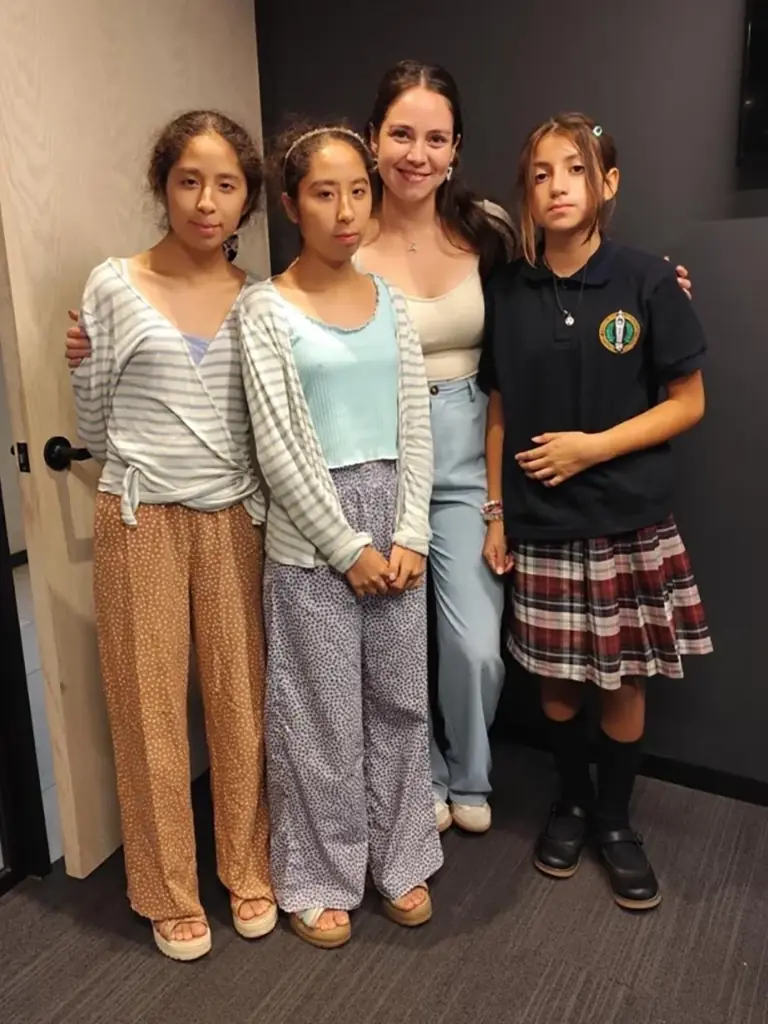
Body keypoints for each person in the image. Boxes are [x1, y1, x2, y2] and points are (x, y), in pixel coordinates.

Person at [356, 60, 694, 836]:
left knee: (476, 648)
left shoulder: (486, 230)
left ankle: (471, 776)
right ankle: (423, 777)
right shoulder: (343, 230)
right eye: (401, 133)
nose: (417, 152)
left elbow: (553, 294)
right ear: (374, 140)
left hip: (472, 454)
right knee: (394, 644)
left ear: (455, 149)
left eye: (435, 137)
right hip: (378, 453)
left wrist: (658, 289)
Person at [479, 112, 712, 911]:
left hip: (626, 522)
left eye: (573, 170)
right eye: (540, 174)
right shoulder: (506, 289)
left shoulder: (646, 279)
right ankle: (570, 803)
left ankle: (616, 820)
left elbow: (689, 403)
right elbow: (499, 410)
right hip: (540, 522)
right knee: (555, 683)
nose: (556, 187)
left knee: (623, 680)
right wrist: (497, 512)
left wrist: (591, 447)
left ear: (607, 184)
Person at [69, 110, 276, 961]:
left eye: (226, 185)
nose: (206, 201)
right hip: (139, 518)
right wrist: (78, 366)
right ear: (164, 184)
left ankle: (248, 867)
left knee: (240, 705)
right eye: (190, 179)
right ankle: (167, 892)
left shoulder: (258, 296)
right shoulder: (113, 283)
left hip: (234, 518)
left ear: (246, 203)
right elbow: (95, 419)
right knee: (149, 713)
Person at [238, 120, 442, 949]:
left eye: (358, 189)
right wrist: (346, 548)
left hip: (395, 517)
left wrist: (413, 531)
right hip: (314, 536)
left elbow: (416, 423)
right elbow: (278, 446)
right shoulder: (263, 308)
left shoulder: (390, 300)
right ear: (291, 205)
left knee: (399, 704)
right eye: (324, 193)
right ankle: (320, 877)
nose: (346, 209)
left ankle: (401, 859)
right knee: (318, 714)